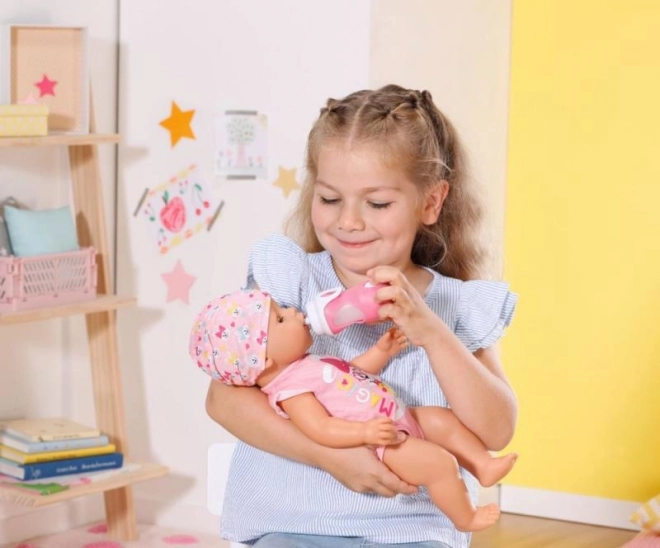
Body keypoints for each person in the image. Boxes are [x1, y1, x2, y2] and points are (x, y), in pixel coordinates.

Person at [205, 84, 519, 547]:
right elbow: (223, 401)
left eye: (376, 204)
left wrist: (431, 332)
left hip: (411, 531)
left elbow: (497, 430)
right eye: (330, 199)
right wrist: (330, 456)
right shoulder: (288, 289)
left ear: (430, 202)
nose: (348, 222)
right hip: (294, 523)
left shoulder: (455, 304)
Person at [190, 289, 517, 532]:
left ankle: (482, 464)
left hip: (401, 415)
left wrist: (380, 351)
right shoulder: (290, 391)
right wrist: (364, 433)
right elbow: (320, 429)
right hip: (384, 445)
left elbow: (352, 373)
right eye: (280, 318)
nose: (294, 312)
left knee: (442, 421)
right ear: (262, 361)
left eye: (284, 308)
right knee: (439, 464)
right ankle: (465, 517)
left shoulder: (309, 364)